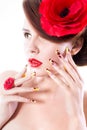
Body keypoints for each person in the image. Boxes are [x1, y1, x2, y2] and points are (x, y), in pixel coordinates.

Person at [0, 0, 87, 129]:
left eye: (44, 37)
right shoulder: (6, 86)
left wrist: (76, 118)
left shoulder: (83, 105)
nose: (31, 48)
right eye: (27, 35)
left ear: (75, 45)